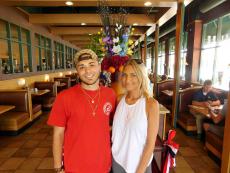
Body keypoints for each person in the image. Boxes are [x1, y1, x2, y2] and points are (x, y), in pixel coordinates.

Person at [47, 49, 116, 173]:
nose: (88, 71)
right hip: (74, 166)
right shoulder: (64, 97)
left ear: (99, 67)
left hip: (103, 164)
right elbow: (58, 134)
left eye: (91, 65)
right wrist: (58, 167)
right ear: (77, 71)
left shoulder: (110, 94)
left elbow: (114, 124)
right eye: (82, 67)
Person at [112, 59, 159, 173]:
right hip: (118, 160)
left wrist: (140, 170)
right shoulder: (119, 99)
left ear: (141, 76)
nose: (127, 79)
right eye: (125, 75)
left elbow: (150, 143)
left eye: (133, 75)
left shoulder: (150, 104)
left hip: (140, 164)